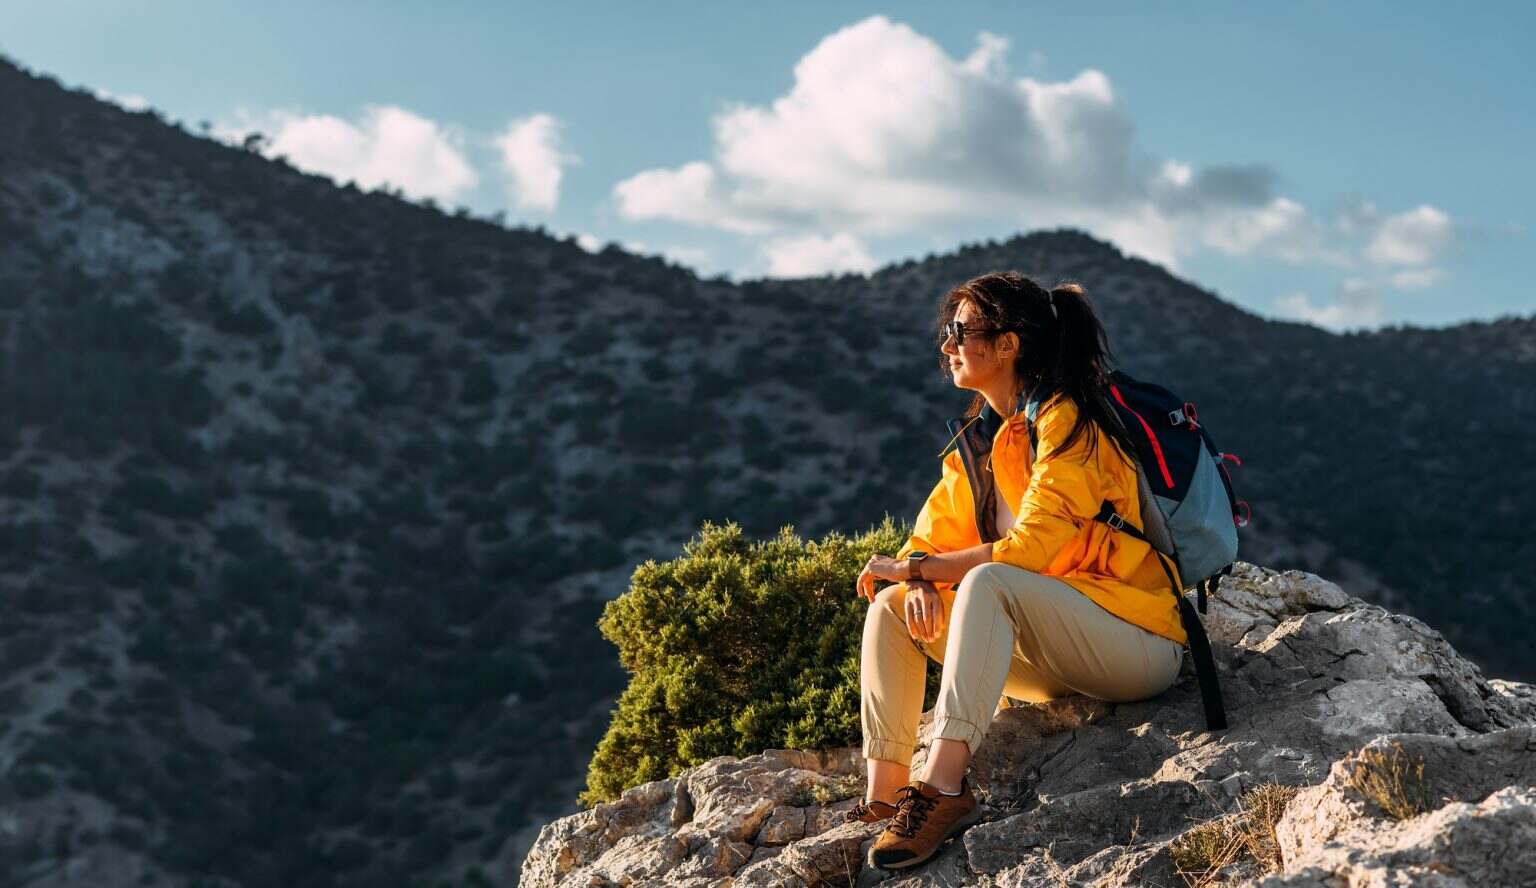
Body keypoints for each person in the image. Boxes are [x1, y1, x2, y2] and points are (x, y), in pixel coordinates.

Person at [847, 272, 1188, 871]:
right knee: (892, 609)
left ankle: (947, 789)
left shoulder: (1071, 422)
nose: (946, 346)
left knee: (988, 579)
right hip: (1053, 654)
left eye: (959, 330)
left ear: (1007, 345)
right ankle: (885, 798)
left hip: (1137, 642)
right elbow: (925, 543)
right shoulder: (981, 444)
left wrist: (925, 568)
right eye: (945, 332)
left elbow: (1030, 549)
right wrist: (916, 576)